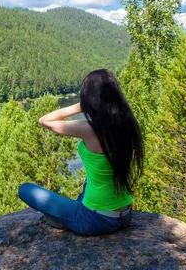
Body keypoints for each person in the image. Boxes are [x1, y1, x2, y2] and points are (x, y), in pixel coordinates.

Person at [18, 69, 144, 235]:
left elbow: (45, 120)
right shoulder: (127, 124)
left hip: (96, 220)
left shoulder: (91, 129)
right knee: (89, 180)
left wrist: (82, 106)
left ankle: (66, 219)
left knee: (25, 189)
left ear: (90, 98)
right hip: (125, 214)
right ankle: (68, 215)